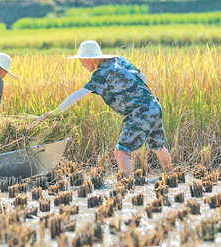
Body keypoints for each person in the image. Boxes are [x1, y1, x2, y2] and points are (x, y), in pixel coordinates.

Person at [41, 40, 172, 173]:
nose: (81, 64)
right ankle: (171, 176)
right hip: (154, 106)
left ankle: (128, 188)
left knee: (121, 152)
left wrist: (54, 113)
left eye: (82, 60)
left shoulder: (101, 74)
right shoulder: (121, 60)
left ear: (93, 58)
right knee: (157, 146)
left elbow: (78, 95)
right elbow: (142, 77)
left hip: (141, 112)